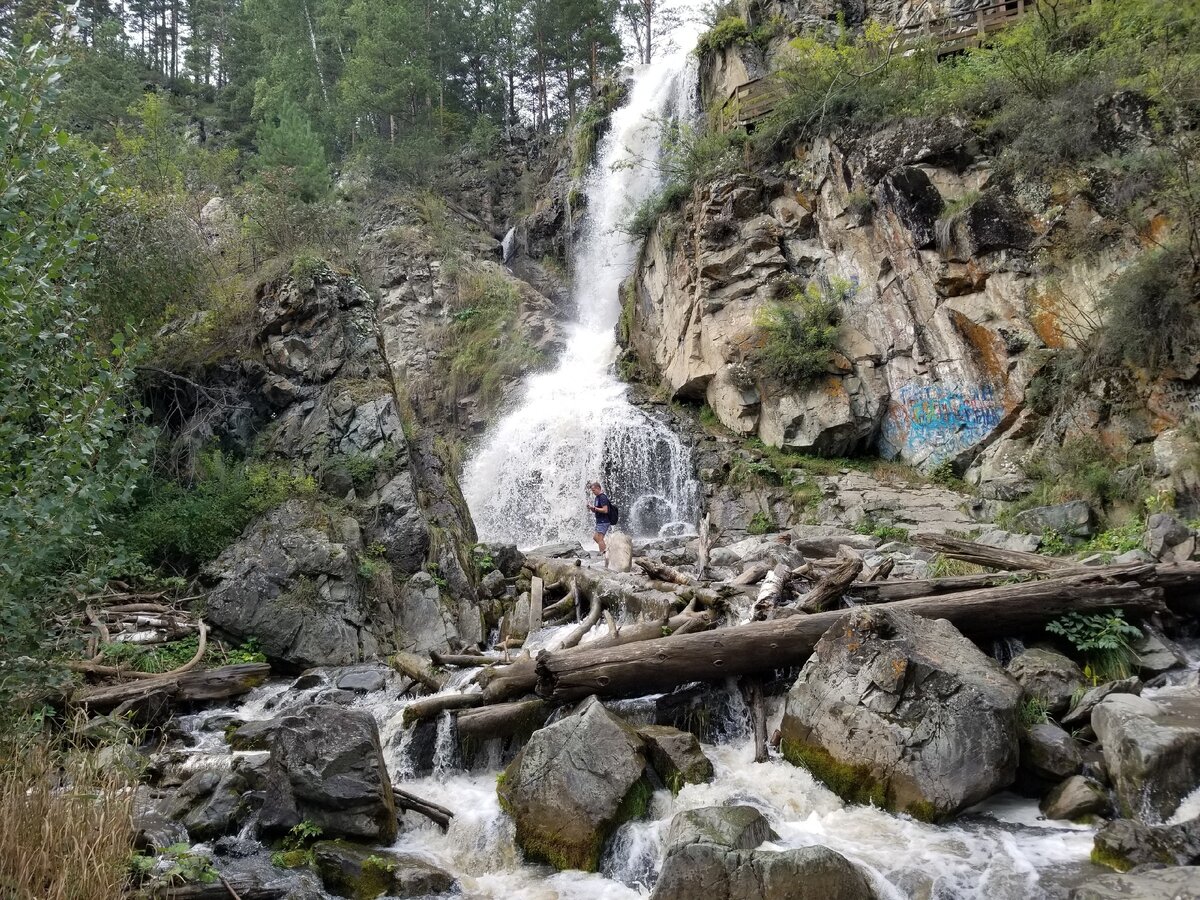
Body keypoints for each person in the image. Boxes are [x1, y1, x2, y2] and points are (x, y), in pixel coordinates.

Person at [587, 481, 610, 554]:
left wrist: (595, 508)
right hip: (599, 521)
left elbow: (605, 510)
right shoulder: (597, 498)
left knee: (600, 539)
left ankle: (603, 554)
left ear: (598, 488)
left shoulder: (602, 497)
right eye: (592, 491)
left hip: (604, 521)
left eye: (593, 490)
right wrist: (591, 508)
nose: (593, 492)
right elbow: (597, 510)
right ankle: (606, 550)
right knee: (595, 537)